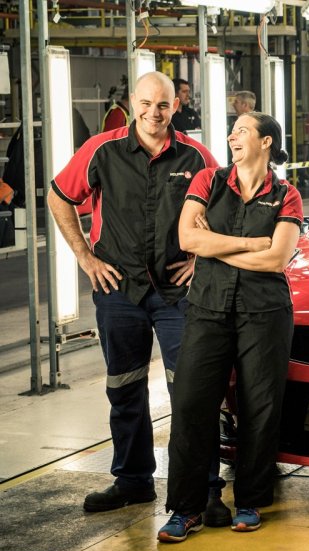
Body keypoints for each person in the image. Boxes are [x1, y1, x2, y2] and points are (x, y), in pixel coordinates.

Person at [47, 72, 229, 518]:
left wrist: (200, 259)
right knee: (124, 388)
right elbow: (59, 196)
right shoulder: (101, 150)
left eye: (163, 105)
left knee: (192, 393)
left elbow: (225, 208)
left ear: (175, 107)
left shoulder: (196, 156)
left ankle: (204, 488)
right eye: (146, 104)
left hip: (177, 294)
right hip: (118, 289)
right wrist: (85, 257)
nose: (153, 113)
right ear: (132, 103)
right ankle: (132, 481)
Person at [160, 112, 302, 542]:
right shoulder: (208, 181)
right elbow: (188, 239)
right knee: (191, 405)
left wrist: (215, 246)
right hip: (207, 308)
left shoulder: (287, 195)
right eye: (232, 131)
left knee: (259, 408)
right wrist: (250, 243)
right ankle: (186, 509)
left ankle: (250, 502)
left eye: (242, 131)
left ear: (266, 142)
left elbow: (277, 259)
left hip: (265, 313)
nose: (231, 136)